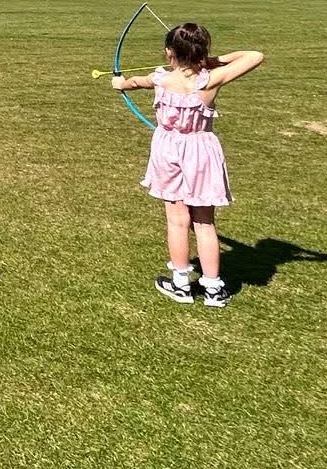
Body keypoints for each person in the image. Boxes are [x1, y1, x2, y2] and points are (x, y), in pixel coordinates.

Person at [110, 21, 264, 308]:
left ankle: (181, 284)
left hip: (169, 151)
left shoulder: (160, 79)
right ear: (201, 52)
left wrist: (119, 83)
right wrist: (213, 60)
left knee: (177, 220)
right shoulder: (210, 80)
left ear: (169, 52)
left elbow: (132, 82)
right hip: (201, 151)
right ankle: (214, 290)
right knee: (204, 222)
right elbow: (255, 55)